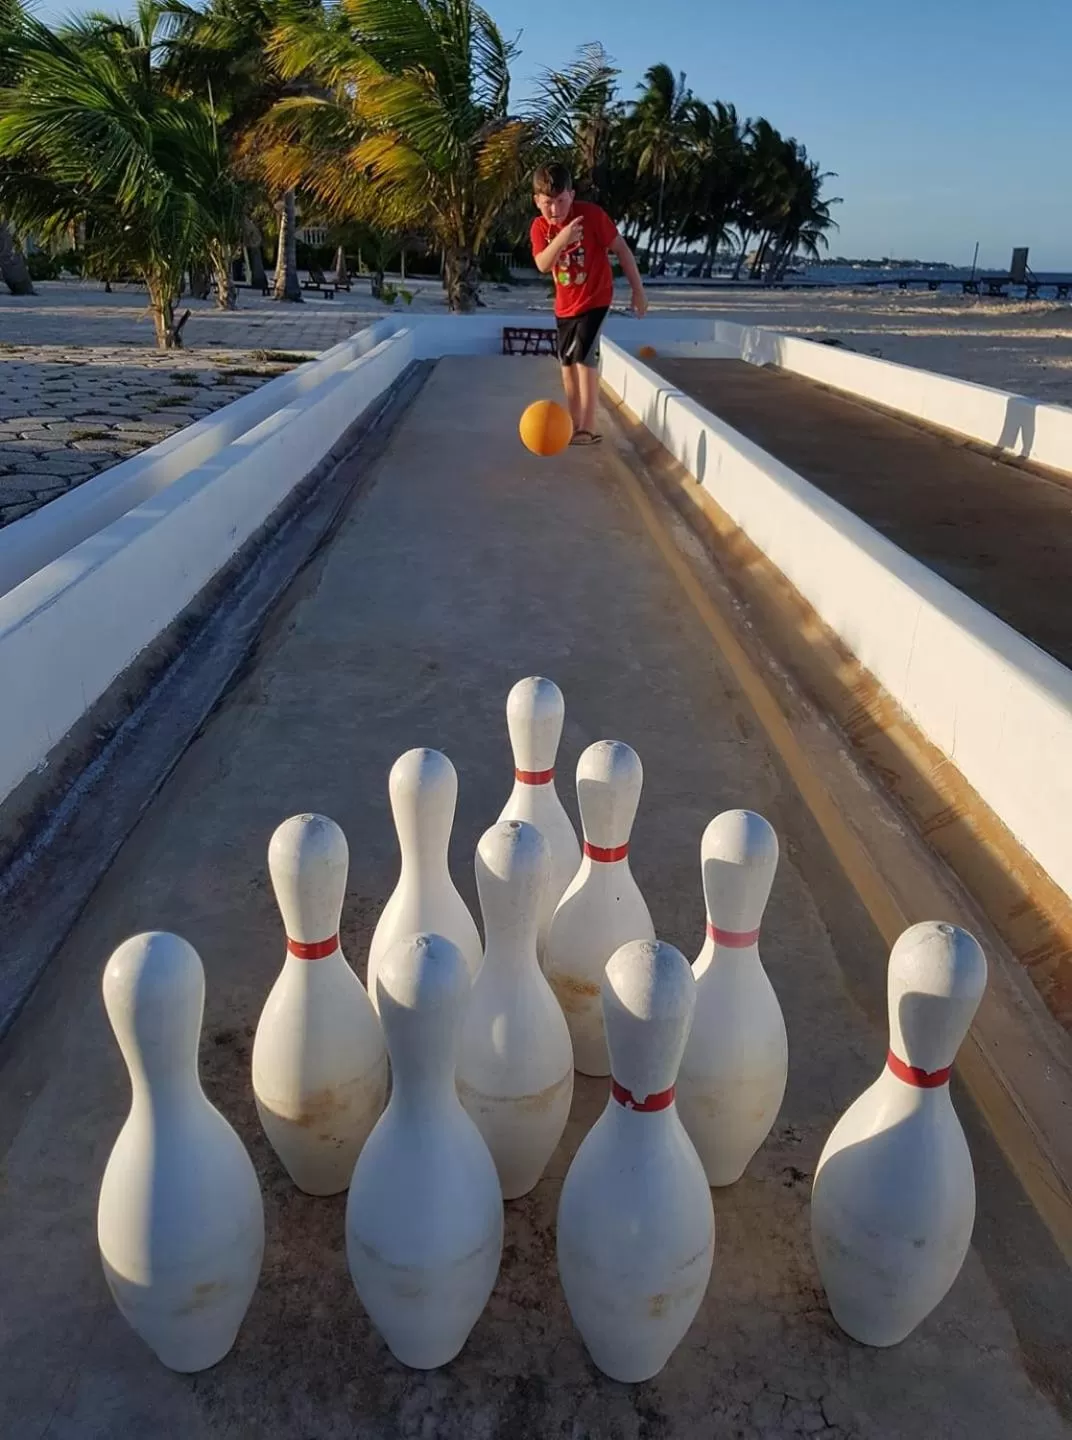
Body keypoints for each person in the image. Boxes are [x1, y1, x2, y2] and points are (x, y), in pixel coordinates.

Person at [530, 163, 647, 446]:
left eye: (561, 201)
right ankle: (573, 424)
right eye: (548, 203)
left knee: (584, 356)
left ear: (571, 195)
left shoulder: (592, 216)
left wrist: (637, 291)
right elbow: (543, 264)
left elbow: (622, 250)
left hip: (596, 298)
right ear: (537, 201)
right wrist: (563, 237)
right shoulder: (539, 227)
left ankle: (588, 426)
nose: (555, 210)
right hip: (565, 306)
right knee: (567, 363)